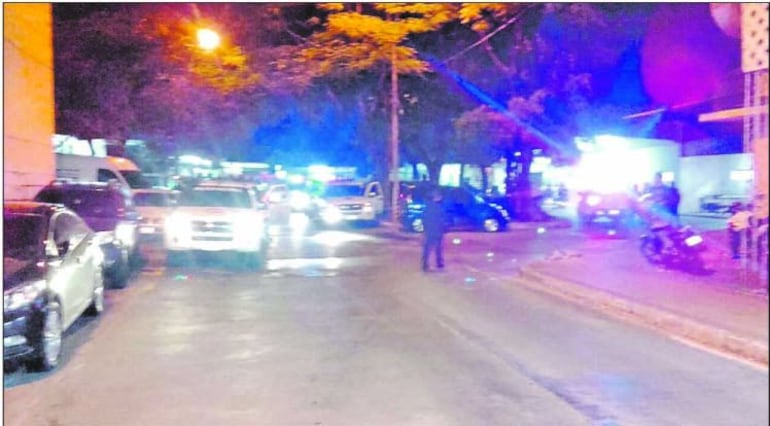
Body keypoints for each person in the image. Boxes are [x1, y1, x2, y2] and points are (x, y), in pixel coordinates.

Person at [421, 188, 446, 272]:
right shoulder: (437, 207)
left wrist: (426, 228)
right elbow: (441, 219)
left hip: (431, 230)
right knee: (436, 247)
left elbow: (424, 219)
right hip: (436, 230)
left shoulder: (428, 207)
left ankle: (427, 264)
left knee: (429, 247)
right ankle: (438, 263)